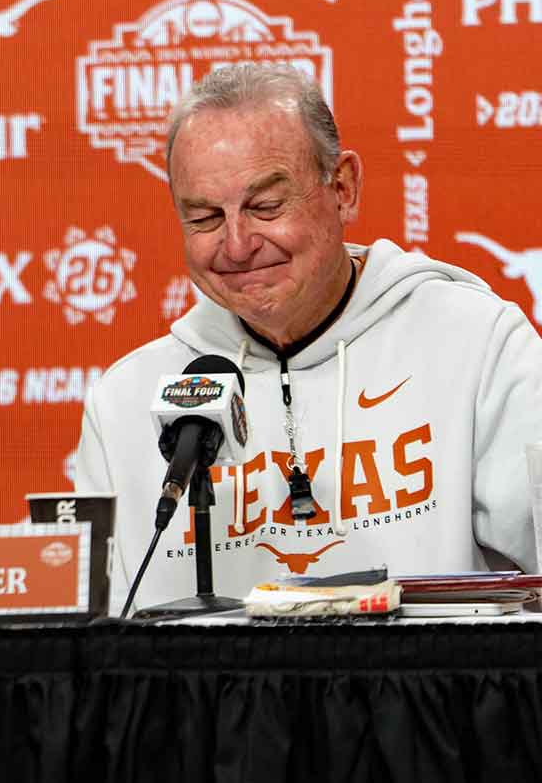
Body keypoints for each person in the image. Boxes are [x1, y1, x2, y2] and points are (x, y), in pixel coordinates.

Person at [74, 63, 542, 614]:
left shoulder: (477, 346)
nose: (238, 244)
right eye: (204, 218)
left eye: (266, 207)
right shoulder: (124, 400)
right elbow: (90, 649)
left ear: (342, 189)